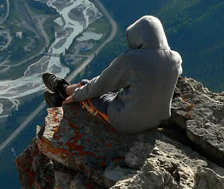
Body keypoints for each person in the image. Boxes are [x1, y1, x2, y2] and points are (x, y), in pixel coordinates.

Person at [42, 15, 182, 134]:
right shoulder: (175, 58)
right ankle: (62, 89)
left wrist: (77, 95)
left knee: (87, 86)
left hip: (125, 121)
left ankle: (62, 92)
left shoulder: (131, 59)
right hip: (157, 120)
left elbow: (101, 85)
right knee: (108, 89)